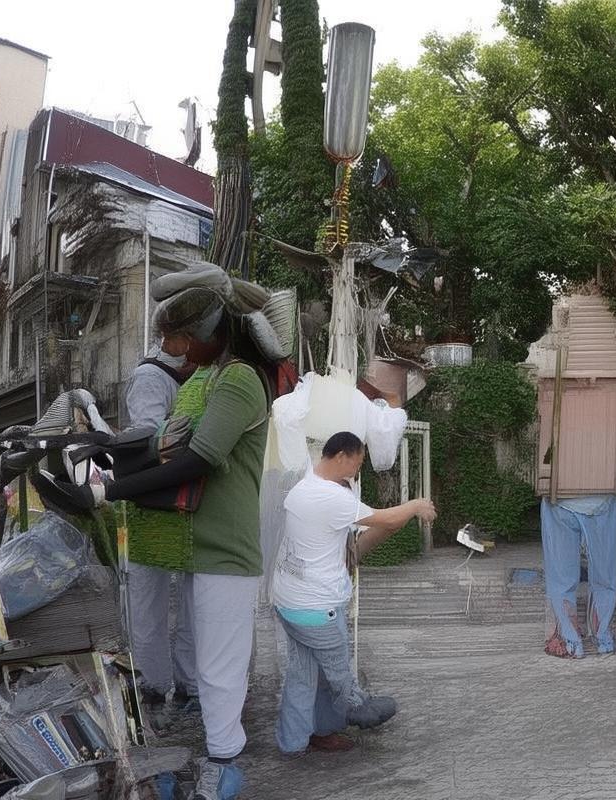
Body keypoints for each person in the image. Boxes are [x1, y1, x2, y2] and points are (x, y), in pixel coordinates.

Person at [36, 267, 275, 800]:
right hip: (194, 543)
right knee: (205, 661)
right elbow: (164, 446)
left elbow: (199, 460)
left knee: (217, 668)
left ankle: (225, 764)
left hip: (224, 549)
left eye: (183, 340)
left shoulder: (238, 379)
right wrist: (107, 467)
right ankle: (217, 758)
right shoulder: (206, 378)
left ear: (212, 331)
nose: (175, 352)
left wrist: (106, 493)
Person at [271, 431, 436, 755]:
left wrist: (392, 522)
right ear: (343, 456)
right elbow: (385, 519)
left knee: (303, 674)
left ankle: (293, 742)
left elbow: (365, 536)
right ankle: (353, 713)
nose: (356, 472)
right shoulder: (332, 497)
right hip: (318, 609)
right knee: (339, 679)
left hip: (288, 603)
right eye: (357, 464)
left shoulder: (304, 486)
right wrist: (416, 504)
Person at [122, 347, 200, 716]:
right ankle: (154, 683)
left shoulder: (203, 372)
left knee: (194, 597)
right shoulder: (151, 377)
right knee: (149, 597)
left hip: (189, 504)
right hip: (154, 505)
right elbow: (147, 438)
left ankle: (190, 683)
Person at [540, 495, 616, 658]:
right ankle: (603, 638)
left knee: (561, 577)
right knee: (604, 574)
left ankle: (570, 642)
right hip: (602, 500)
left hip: (560, 499)